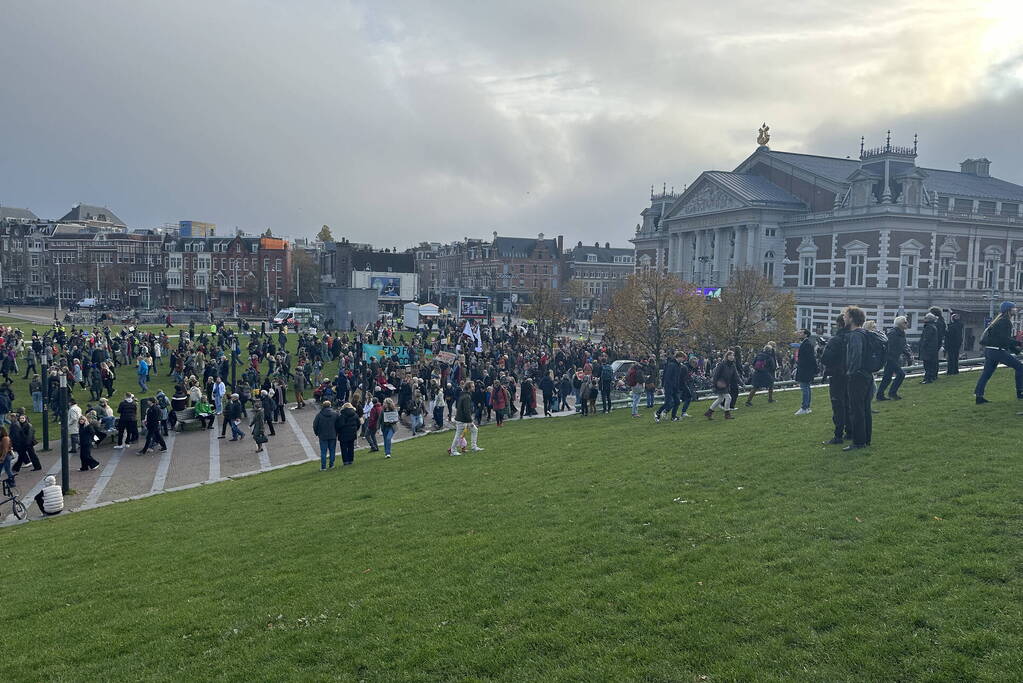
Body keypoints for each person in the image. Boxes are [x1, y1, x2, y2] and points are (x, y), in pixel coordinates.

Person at [974, 301, 1023, 404]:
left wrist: (1016, 350)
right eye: (1013, 308)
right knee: (1020, 367)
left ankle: (979, 397)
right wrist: (1019, 343)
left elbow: (1001, 339)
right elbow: (1004, 339)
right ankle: (1020, 392)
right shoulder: (1005, 322)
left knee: (986, 374)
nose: (1015, 310)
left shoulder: (998, 321)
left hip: (990, 351)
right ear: (1008, 310)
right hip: (997, 351)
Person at [843, 306, 873, 451]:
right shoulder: (865, 333)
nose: (843, 318)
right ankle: (866, 439)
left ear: (852, 318)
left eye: (845, 316)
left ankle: (858, 441)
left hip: (857, 376)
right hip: (867, 374)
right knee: (865, 408)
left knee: (856, 409)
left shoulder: (855, 335)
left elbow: (856, 355)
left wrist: (850, 372)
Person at [820, 314, 851, 445]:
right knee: (849, 404)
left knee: (838, 405)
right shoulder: (855, 337)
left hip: (838, 375)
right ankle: (850, 431)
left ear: (838, 324)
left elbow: (825, 358)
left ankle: (838, 435)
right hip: (852, 375)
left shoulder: (836, 340)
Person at [876, 316, 910, 401]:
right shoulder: (893, 333)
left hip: (895, 358)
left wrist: (908, 354)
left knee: (887, 377)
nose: (907, 324)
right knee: (901, 374)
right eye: (904, 322)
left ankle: (880, 395)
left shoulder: (902, 333)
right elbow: (888, 347)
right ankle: (892, 393)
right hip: (890, 358)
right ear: (899, 324)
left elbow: (903, 346)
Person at [449, 380, 482, 455]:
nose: (474, 387)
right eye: (473, 386)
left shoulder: (464, 394)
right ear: (469, 387)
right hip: (462, 419)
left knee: (474, 430)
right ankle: (453, 451)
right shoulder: (466, 396)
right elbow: (466, 410)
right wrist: (470, 421)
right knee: (458, 435)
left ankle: (474, 446)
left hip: (463, 419)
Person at [705, 350, 738, 420]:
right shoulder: (722, 364)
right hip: (720, 384)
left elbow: (736, 376)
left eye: (733, 355)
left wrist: (742, 384)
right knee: (728, 398)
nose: (732, 357)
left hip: (725, 384)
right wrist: (714, 385)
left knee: (720, 399)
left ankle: (709, 412)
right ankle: (727, 414)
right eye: (730, 355)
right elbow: (716, 375)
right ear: (727, 356)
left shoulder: (733, 365)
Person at [655, 352, 683, 423]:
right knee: (668, 403)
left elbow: (677, 377)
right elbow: (668, 377)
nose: (683, 359)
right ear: (678, 357)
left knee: (677, 402)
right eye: (682, 357)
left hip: (674, 386)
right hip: (669, 386)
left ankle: (673, 417)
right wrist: (669, 386)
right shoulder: (672, 365)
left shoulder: (678, 365)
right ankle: (658, 413)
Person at [794, 329, 818, 415]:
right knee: (807, 388)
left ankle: (804, 407)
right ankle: (807, 407)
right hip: (806, 369)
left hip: (805, 370)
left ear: (806, 335)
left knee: (804, 388)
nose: (799, 334)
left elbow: (809, 358)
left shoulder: (806, 344)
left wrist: (800, 363)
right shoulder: (806, 344)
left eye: (801, 333)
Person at [312, 400, 338, 470]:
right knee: (332, 450)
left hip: (323, 436)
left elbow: (315, 425)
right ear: (330, 406)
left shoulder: (319, 415)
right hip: (333, 435)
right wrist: (336, 432)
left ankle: (323, 467)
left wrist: (317, 433)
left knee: (323, 452)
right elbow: (338, 424)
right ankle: (331, 465)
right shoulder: (335, 414)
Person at [335, 401, 361, 465]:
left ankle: (345, 461)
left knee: (343, 448)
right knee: (351, 447)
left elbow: (340, 425)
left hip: (343, 434)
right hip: (352, 433)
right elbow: (358, 424)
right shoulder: (355, 415)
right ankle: (350, 460)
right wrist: (355, 430)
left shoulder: (342, 415)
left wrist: (338, 431)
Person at [918, 313, 941, 384]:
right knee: (930, 364)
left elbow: (926, 338)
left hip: (928, 349)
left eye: (925, 318)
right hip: (931, 349)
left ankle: (927, 379)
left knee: (927, 365)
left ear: (928, 319)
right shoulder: (933, 326)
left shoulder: (929, 327)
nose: (924, 319)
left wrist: (922, 346)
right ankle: (929, 378)